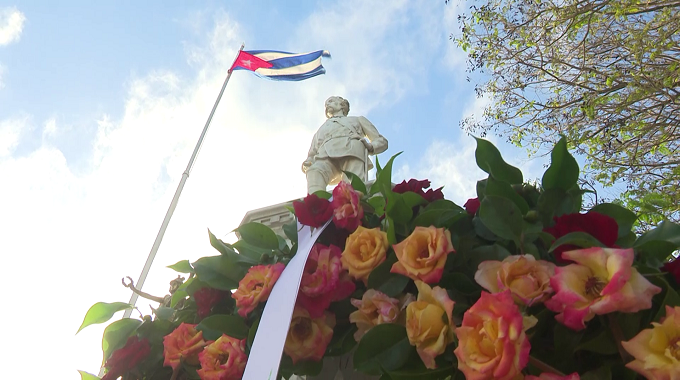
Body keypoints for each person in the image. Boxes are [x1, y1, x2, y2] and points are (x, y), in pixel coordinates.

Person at [302, 96, 388, 194]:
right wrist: (308, 162)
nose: (327, 105)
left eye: (330, 101)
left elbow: (381, 140)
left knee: (353, 189)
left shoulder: (358, 120)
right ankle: (316, 204)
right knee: (314, 171)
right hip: (325, 155)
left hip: (352, 151)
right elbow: (312, 153)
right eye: (326, 104)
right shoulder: (320, 129)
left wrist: (371, 147)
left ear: (341, 104)